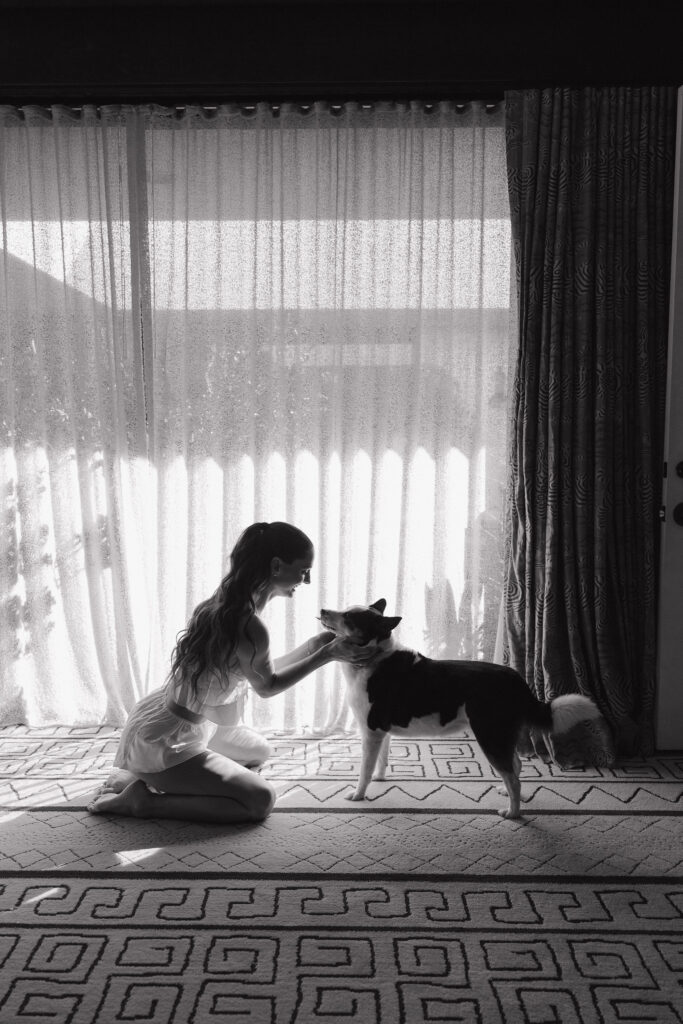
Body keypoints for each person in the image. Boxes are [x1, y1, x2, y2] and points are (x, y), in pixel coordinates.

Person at [88, 521, 372, 824]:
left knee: (259, 751)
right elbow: (267, 686)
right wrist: (325, 655)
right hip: (168, 740)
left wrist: (314, 645)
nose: (308, 580)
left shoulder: (227, 601)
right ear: (276, 565)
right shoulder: (249, 624)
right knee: (260, 800)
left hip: (178, 720)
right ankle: (141, 801)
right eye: (303, 571)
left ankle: (147, 774)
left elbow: (256, 672)